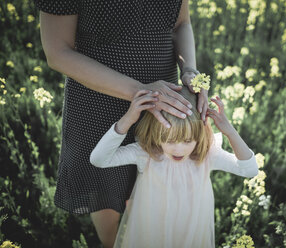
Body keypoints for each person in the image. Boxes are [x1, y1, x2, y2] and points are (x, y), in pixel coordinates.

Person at [35, 0, 208, 246]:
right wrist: (141, 92)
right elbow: (57, 53)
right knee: (106, 190)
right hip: (99, 101)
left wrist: (189, 69)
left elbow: (181, 24)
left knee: (156, 184)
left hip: (164, 100)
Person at [90, 87, 259, 248]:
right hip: (152, 232)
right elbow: (99, 159)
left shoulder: (207, 155)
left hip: (191, 233)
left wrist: (229, 131)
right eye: (170, 141)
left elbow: (249, 170)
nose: (178, 149)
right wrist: (128, 119)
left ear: (199, 136)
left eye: (187, 141)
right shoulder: (147, 154)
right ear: (157, 135)